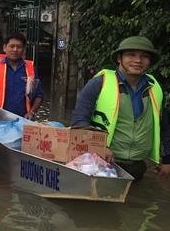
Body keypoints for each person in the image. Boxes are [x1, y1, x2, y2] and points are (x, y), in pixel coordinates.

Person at [71, 36, 170, 180]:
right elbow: (79, 121)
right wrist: (99, 147)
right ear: (119, 58)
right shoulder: (99, 84)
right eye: (131, 54)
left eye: (144, 56)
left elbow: (165, 126)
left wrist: (167, 160)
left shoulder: (155, 89)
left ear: (150, 62)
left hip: (138, 167)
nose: (138, 60)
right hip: (100, 164)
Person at [0, 32, 43, 119]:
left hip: (23, 119)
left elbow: (39, 95)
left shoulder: (31, 69)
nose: (15, 49)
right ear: (4, 48)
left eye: (19, 47)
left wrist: (32, 112)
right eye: (12, 46)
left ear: (24, 50)